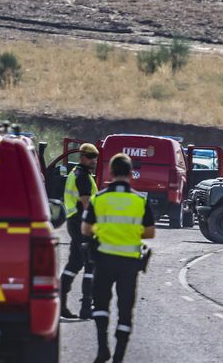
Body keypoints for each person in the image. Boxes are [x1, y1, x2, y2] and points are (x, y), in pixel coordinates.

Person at [83, 153, 155, 363]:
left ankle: (102, 349)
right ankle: (119, 357)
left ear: (111, 172)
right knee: (125, 310)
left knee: (101, 306)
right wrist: (131, 232)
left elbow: (86, 229)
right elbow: (150, 233)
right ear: (131, 174)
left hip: (103, 259)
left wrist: (104, 229)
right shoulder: (139, 200)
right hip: (129, 263)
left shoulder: (100, 198)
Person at [60, 142, 99, 319]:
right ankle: (85, 307)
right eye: (90, 157)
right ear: (82, 157)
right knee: (90, 264)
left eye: (95, 157)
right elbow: (86, 203)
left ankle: (60, 304)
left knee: (74, 264)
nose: (93, 160)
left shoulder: (76, 173)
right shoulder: (82, 176)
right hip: (82, 225)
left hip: (74, 223)